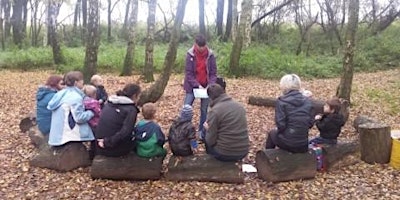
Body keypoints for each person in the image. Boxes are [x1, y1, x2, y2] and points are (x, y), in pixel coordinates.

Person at [265, 74, 314, 153]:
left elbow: (281, 125)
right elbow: (310, 123)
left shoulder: (281, 101)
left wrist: (287, 133)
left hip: (289, 143)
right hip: (303, 144)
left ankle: (268, 157)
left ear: (284, 86)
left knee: (272, 133)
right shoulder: (307, 101)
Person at [183, 34, 217, 141]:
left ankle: (202, 133)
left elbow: (213, 73)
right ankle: (184, 131)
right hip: (192, 87)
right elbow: (189, 74)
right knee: (186, 108)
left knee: (204, 110)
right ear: (195, 44)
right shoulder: (190, 54)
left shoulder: (210, 55)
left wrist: (210, 85)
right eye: (199, 47)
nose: (201, 49)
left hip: (206, 86)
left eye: (203, 46)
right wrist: (197, 85)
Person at [47, 71, 94, 146]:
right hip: (68, 136)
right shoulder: (75, 97)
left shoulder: (60, 94)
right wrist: (91, 112)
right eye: (81, 81)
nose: (83, 83)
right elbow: (79, 118)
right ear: (76, 83)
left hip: (56, 136)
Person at [203, 84, 249, 162]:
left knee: (205, 131)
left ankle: (211, 160)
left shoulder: (215, 111)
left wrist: (208, 129)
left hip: (225, 153)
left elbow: (210, 140)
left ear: (210, 98)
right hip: (243, 151)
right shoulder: (239, 106)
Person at [95, 83, 141, 157]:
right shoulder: (131, 110)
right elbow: (125, 132)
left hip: (98, 145)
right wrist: (107, 143)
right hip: (111, 148)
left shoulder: (110, 103)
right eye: (139, 96)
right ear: (135, 96)